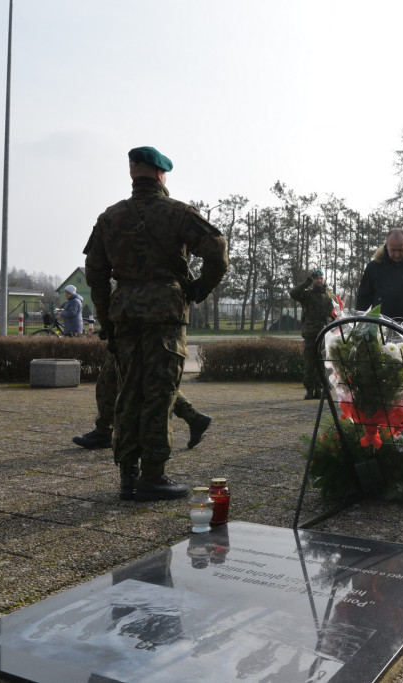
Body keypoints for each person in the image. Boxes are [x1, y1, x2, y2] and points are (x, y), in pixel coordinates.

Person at [84, 145, 228, 502]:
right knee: (160, 393)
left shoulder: (110, 217)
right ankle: (153, 476)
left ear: (133, 171)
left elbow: (96, 273)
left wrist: (106, 319)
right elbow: (217, 251)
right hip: (165, 314)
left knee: (128, 391)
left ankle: (127, 478)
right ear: (162, 174)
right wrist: (197, 289)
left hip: (124, 315)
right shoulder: (178, 213)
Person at [72, 351, 211, 463]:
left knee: (111, 378)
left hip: (130, 327)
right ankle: (194, 418)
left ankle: (103, 431)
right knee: (151, 381)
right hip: (139, 327)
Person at [355, 228, 403, 325]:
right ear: (386, 245)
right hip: (379, 328)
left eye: (401, 250)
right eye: (393, 250)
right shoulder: (374, 267)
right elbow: (363, 301)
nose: (397, 255)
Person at [289, 268, 335, 399]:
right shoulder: (307, 294)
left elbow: (335, 312)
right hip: (310, 333)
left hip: (325, 333)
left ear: (324, 279)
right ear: (313, 280)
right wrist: (305, 283)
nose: (319, 280)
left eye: (321, 278)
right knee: (309, 363)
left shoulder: (329, 295)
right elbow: (293, 293)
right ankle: (309, 390)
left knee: (322, 363)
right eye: (316, 278)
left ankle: (319, 389)